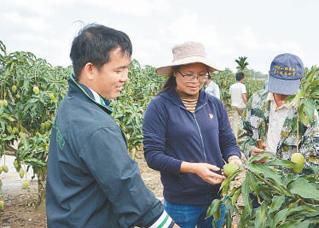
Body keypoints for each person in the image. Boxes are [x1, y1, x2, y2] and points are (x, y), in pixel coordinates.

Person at [46, 24, 176, 228]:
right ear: (90, 69)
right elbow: (126, 186)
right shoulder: (95, 126)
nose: (125, 78)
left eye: (127, 69)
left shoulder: (71, 105)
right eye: (118, 70)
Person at [143, 41, 242, 228]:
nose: (196, 80)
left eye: (202, 75)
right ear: (174, 73)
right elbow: (153, 156)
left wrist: (234, 157)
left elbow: (228, 141)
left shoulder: (215, 104)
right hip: (181, 201)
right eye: (188, 74)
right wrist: (193, 168)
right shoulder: (159, 106)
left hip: (217, 197)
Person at [238, 53, 319, 166]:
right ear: (270, 77)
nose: (282, 93)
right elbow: (242, 135)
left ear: (300, 81)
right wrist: (250, 150)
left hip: (290, 180)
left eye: (287, 87)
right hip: (260, 174)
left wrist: (294, 171)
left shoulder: (307, 112)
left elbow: (315, 157)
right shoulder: (256, 101)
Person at [229, 72, 247, 138]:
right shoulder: (242, 86)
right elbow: (243, 96)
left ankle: (235, 137)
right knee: (243, 121)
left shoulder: (232, 86)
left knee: (235, 123)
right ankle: (242, 137)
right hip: (241, 106)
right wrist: (247, 105)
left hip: (233, 105)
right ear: (242, 78)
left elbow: (231, 95)